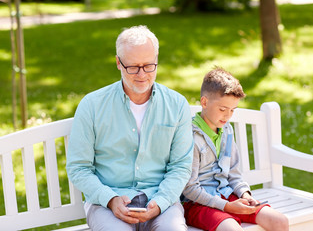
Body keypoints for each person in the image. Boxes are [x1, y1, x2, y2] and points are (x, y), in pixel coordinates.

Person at [66, 25, 194, 231]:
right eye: (133, 67)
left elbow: (181, 166)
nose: (142, 74)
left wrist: (161, 201)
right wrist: (110, 199)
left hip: (161, 201)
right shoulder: (92, 106)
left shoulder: (177, 105)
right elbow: (78, 168)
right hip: (106, 204)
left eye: (149, 66)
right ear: (118, 62)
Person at [182, 66, 289, 231]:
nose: (227, 116)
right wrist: (226, 206)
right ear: (204, 102)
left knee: (279, 221)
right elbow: (189, 188)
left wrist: (245, 195)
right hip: (198, 204)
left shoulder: (227, 130)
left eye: (232, 110)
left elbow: (233, 174)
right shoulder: (190, 137)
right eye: (223, 109)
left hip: (227, 194)